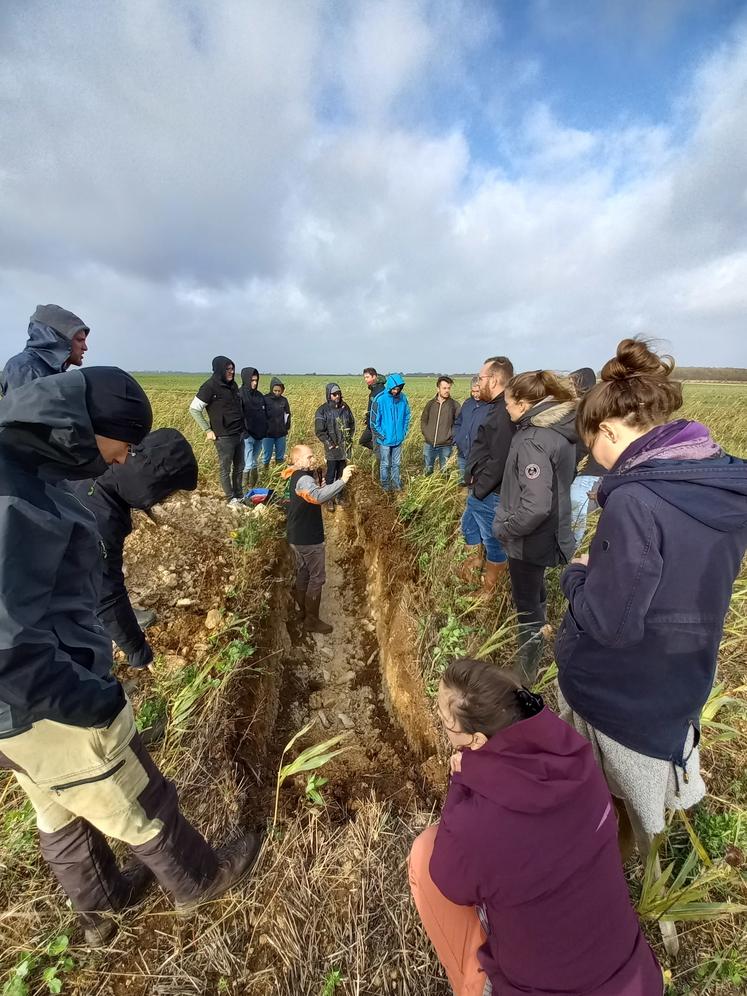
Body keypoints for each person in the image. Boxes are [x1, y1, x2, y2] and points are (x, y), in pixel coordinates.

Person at [0, 369, 261, 947]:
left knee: (57, 806)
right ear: (95, 431)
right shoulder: (17, 493)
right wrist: (96, 697)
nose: (121, 460)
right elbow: (18, 642)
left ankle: (100, 909)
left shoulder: (26, 459)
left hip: (16, 708)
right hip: (42, 691)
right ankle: (201, 881)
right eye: (123, 447)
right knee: (132, 792)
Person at [555, 338, 747, 853]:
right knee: (657, 820)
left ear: (609, 431)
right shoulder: (722, 482)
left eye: (591, 445)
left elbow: (613, 623)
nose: (595, 460)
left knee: (609, 812)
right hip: (681, 678)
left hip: (620, 694)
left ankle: (619, 874)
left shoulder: (636, 499)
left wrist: (576, 576)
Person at [409, 658, 663, 996]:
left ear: (478, 740)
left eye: (445, 722)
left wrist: (461, 780)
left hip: (541, 988)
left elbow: (449, 881)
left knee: (425, 853)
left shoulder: (479, 827)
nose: (441, 725)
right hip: (637, 981)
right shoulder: (577, 759)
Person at [69, 429, 198, 671]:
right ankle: (97, 681)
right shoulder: (101, 519)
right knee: (81, 624)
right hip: (28, 594)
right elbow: (106, 595)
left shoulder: (104, 459)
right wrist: (139, 652)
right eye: (165, 494)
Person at [493, 371, 577, 684]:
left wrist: (505, 528)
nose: (506, 408)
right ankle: (536, 646)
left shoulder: (532, 440)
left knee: (526, 606)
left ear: (526, 404)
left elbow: (536, 505)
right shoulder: (560, 432)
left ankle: (525, 673)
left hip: (530, 539)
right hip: (551, 533)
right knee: (535, 593)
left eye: (509, 402)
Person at [282, 444, 356, 634]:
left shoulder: (296, 475)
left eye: (313, 456)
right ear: (297, 460)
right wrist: (343, 480)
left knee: (304, 572)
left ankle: (302, 611)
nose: (312, 459)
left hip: (296, 535)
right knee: (317, 577)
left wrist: (321, 482)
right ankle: (312, 621)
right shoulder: (304, 479)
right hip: (308, 538)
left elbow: (314, 491)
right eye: (309, 457)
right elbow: (317, 497)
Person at [458, 357, 514, 594]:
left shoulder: (503, 412)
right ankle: (472, 568)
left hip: (489, 491)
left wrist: (480, 488)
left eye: (481, 378)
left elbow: (499, 459)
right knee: (469, 526)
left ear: (493, 379)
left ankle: (489, 591)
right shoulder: (496, 407)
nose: (478, 383)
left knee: (493, 541)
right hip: (480, 488)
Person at [189, 356, 244, 505]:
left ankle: (239, 495)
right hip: (223, 436)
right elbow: (194, 409)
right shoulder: (209, 386)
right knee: (226, 468)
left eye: (232, 368)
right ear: (220, 369)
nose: (231, 372)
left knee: (240, 466)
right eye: (228, 369)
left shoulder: (233, 386)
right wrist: (207, 429)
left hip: (239, 433)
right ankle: (230, 498)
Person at [1, 303, 90, 395]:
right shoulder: (25, 368)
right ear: (59, 340)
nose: (85, 347)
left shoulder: (55, 372)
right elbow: (24, 408)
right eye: (80, 340)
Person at [568, 367, 605, 546]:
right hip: (597, 475)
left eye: (571, 384)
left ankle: (570, 557)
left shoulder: (585, 411)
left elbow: (579, 447)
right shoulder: (595, 407)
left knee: (575, 516)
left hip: (590, 476)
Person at [314, 383, 355, 507]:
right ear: (329, 395)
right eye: (334, 394)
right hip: (331, 449)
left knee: (342, 473)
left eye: (339, 393)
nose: (337, 396)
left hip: (344, 448)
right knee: (331, 473)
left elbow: (352, 424)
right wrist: (330, 444)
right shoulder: (322, 410)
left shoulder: (345, 407)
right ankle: (329, 498)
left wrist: (348, 439)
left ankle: (339, 496)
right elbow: (320, 431)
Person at [370, 373, 411, 491]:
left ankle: (396, 485)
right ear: (389, 387)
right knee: (385, 464)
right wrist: (382, 436)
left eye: (398, 389)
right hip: (384, 441)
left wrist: (403, 432)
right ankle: (385, 486)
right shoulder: (380, 399)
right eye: (394, 388)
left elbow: (407, 416)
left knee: (396, 464)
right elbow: (373, 422)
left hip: (398, 439)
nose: (395, 391)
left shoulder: (403, 398)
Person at [421, 376, 461, 475]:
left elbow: (459, 423)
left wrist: (451, 435)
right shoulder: (430, 404)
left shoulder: (454, 405)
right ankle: (427, 490)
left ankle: (444, 490)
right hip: (429, 444)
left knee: (445, 471)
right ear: (438, 389)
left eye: (448, 388)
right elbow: (423, 420)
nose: (447, 390)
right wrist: (427, 434)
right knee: (428, 471)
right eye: (444, 388)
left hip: (446, 445)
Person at [453, 376, 489, 482]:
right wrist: (457, 438)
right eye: (473, 391)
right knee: (462, 480)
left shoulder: (489, 406)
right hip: (462, 451)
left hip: (477, 454)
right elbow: (458, 422)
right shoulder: (467, 403)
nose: (475, 394)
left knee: (475, 483)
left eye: (478, 391)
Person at [239, 367, 268, 489]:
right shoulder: (240, 395)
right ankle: (244, 489)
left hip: (259, 435)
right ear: (246, 379)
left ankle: (253, 487)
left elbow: (264, 413)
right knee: (249, 463)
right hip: (247, 435)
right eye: (252, 380)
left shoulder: (260, 396)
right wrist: (244, 432)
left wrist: (265, 429)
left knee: (255, 462)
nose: (255, 383)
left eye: (256, 380)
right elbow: (238, 416)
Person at [262, 377, 291, 469]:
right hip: (268, 433)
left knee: (280, 457)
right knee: (267, 456)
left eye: (279, 391)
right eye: (275, 390)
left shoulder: (284, 400)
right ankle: (265, 473)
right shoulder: (265, 399)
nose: (277, 393)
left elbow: (287, 414)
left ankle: (279, 474)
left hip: (281, 433)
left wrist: (287, 426)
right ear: (271, 389)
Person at [360, 367, 386, 453]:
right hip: (370, 424)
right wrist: (367, 418)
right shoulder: (374, 389)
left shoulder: (380, 390)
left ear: (374, 376)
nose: (365, 379)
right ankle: (379, 451)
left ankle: (381, 452)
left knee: (370, 443)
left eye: (367, 377)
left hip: (376, 424)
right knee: (363, 441)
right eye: (364, 377)